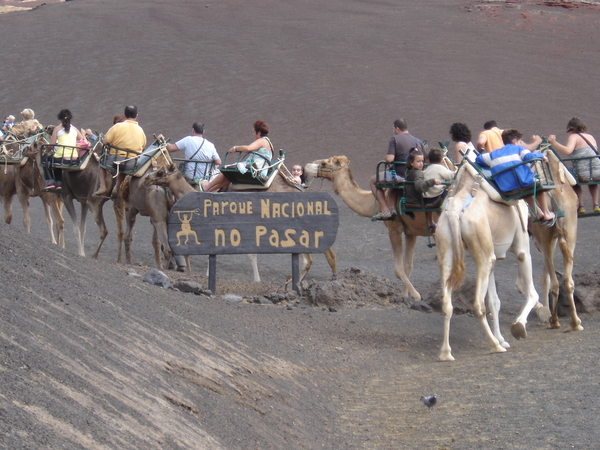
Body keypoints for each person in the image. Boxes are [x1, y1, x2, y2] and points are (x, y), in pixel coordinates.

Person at [476, 129, 555, 226]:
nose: (520, 144)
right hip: (523, 183)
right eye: (520, 141)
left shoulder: (492, 154)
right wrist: (541, 155)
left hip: (506, 189)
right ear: (514, 141)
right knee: (538, 185)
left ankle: (538, 213)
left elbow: (478, 159)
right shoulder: (519, 149)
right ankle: (546, 213)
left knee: (524, 191)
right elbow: (529, 157)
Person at [370, 118, 426, 220]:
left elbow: (390, 159)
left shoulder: (394, 139)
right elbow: (425, 159)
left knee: (373, 181)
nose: (393, 131)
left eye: (393, 129)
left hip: (400, 174)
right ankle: (393, 209)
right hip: (414, 175)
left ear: (397, 129)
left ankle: (385, 209)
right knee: (393, 184)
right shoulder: (418, 141)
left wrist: (386, 158)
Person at [201, 120, 273, 192]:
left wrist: (235, 148)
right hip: (262, 170)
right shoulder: (270, 145)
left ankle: (208, 186)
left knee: (228, 170)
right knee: (230, 177)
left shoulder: (261, 141)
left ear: (259, 133)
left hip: (254, 168)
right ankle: (210, 189)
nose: (253, 134)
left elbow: (248, 148)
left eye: (254, 132)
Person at [548, 118, 600, 214]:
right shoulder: (590, 136)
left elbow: (568, 151)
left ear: (570, 128)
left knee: (573, 179)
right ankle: (596, 204)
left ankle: (580, 206)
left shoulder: (573, 136)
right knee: (593, 180)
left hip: (582, 172)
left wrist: (554, 143)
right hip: (597, 171)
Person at [94, 105, 146, 197]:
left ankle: (102, 186)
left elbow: (105, 142)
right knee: (124, 168)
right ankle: (117, 187)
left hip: (114, 161)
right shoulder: (141, 131)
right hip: (131, 163)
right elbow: (142, 146)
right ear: (136, 115)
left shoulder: (117, 127)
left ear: (124, 115)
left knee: (102, 163)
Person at [157, 122, 221, 188]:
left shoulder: (188, 140)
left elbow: (171, 148)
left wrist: (162, 140)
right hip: (204, 176)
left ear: (193, 130)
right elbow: (219, 162)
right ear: (203, 132)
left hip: (189, 176)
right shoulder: (210, 145)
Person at [43, 109, 87, 190]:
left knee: (46, 159)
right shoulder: (75, 129)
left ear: (60, 119)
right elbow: (82, 140)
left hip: (63, 158)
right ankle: (58, 184)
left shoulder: (57, 129)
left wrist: (48, 149)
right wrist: (83, 134)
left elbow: (51, 145)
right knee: (56, 160)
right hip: (74, 159)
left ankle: (51, 182)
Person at [403, 149, 443, 232]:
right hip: (417, 200)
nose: (421, 163)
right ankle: (442, 222)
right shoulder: (417, 173)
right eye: (418, 161)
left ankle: (431, 223)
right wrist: (432, 181)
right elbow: (420, 187)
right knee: (442, 195)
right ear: (411, 163)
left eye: (422, 161)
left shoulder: (409, 171)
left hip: (411, 199)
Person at [423, 148, 455, 229]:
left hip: (426, 199)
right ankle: (444, 222)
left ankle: (430, 222)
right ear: (441, 160)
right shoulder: (440, 168)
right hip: (438, 198)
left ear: (429, 160)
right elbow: (451, 176)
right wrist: (456, 171)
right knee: (448, 193)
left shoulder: (426, 169)